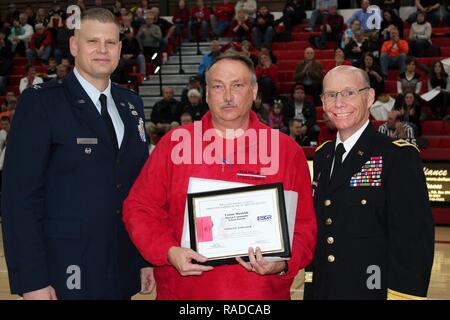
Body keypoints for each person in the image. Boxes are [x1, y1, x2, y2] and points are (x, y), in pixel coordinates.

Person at [122, 53, 317, 300]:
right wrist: (168, 251)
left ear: (254, 91)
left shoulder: (287, 151)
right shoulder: (174, 144)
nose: (227, 96)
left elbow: (304, 228)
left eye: (237, 85)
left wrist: (283, 263)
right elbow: (139, 208)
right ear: (206, 94)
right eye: (217, 86)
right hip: (185, 295)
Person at [1, 8, 153, 300]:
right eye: (92, 41)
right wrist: (31, 279)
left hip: (121, 267)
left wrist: (144, 259)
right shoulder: (42, 103)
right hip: (64, 271)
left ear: (120, 49)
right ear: (74, 45)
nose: (102, 50)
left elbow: (138, 190)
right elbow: (18, 198)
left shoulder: (131, 104)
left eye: (110, 42)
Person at [304, 65, 434, 300]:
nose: (339, 102)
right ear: (323, 103)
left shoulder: (397, 156)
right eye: (331, 95)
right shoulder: (323, 157)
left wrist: (401, 297)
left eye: (348, 93)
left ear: (370, 97)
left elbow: (413, 241)